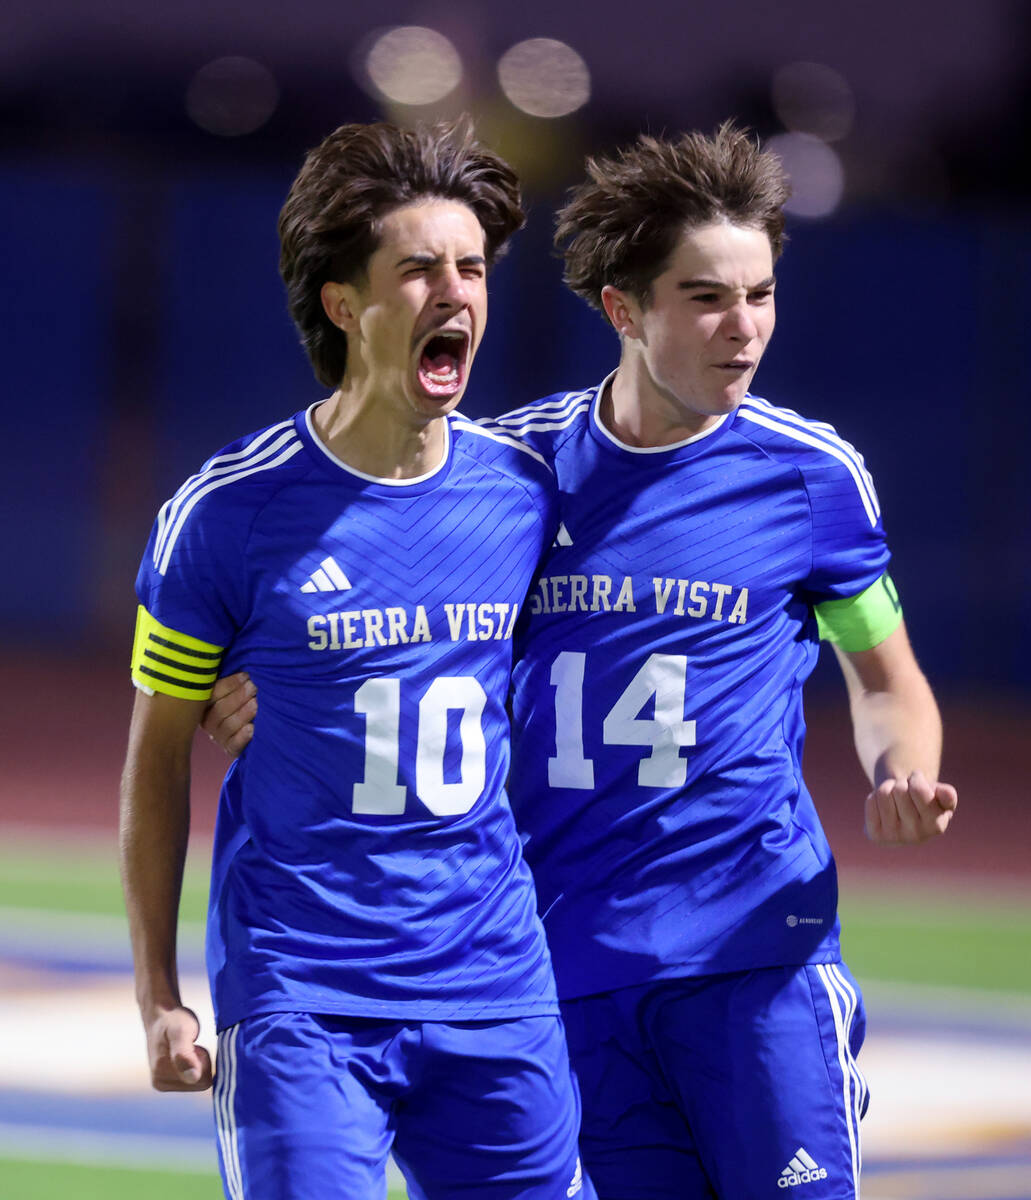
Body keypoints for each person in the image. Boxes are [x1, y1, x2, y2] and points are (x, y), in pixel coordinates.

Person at [205, 123, 958, 1199]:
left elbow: (884, 683)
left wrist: (898, 771)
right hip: (560, 973)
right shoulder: (514, 478)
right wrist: (263, 688)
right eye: (705, 298)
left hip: (755, 956)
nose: (743, 330)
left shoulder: (812, 478)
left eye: (761, 295)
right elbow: (393, 634)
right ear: (622, 310)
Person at [119, 118, 592, 1200]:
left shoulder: (528, 490)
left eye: (471, 268)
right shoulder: (226, 515)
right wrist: (158, 995)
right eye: (418, 268)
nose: (455, 292)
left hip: (494, 985)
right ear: (344, 305)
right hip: (303, 994)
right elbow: (153, 761)